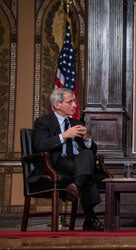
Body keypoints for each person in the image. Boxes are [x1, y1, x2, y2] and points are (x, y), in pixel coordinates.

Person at [33, 88, 103, 231]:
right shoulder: (44, 122)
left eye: (74, 102)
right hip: (56, 164)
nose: (75, 105)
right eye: (70, 102)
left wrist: (86, 138)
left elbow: (93, 150)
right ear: (57, 104)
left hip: (78, 163)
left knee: (88, 154)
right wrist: (64, 135)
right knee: (87, 173)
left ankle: (76, 186)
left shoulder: (76, 122)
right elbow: (39, 145)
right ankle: (90, 216)